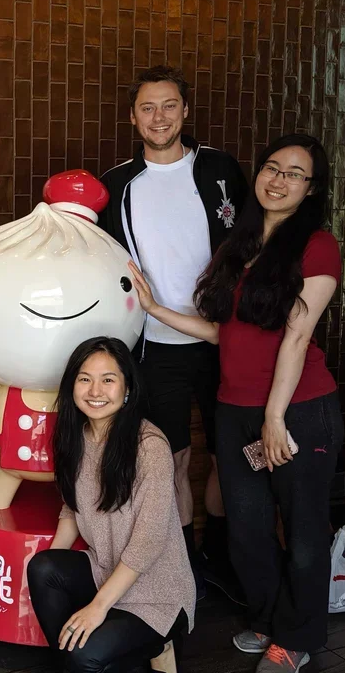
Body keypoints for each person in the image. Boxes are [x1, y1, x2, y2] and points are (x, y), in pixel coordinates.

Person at [130, 134, 341, 673]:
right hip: (235, 408)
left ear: (310, 188)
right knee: (245, 527)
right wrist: (154, 308)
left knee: (303, 526)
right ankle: (270, 618)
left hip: (298, 407)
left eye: (294, 173)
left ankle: (298, 637)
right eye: (272, 167)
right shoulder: (240, 245)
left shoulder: (316, 247)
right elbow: (224, 333)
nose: (278, 179)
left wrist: (274, 418)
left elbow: (295, 337)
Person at [99, 65, 249, 602]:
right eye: (147, 107)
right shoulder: (116, 185)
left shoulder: (221, 169)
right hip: (153, 347)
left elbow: (251, 245)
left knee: (234, 453)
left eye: (168, 106)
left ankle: (226, 555)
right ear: (133, 116)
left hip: (223, 341)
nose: (158, 117)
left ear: (185, 112)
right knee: (174, 458)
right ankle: (185, 563)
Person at [27, 337, 195, 673]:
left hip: (156, 591)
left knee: (85, 654)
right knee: (42, 568)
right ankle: (78, 659)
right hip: (105, 569)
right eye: (85, 379)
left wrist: (98, 607)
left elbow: (148, 542)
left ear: (127, 389)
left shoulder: (149, 446)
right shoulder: (75, 435)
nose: (95, 391)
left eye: (108, 380)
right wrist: (51, 565)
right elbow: (71, 508)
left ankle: (148, 645)